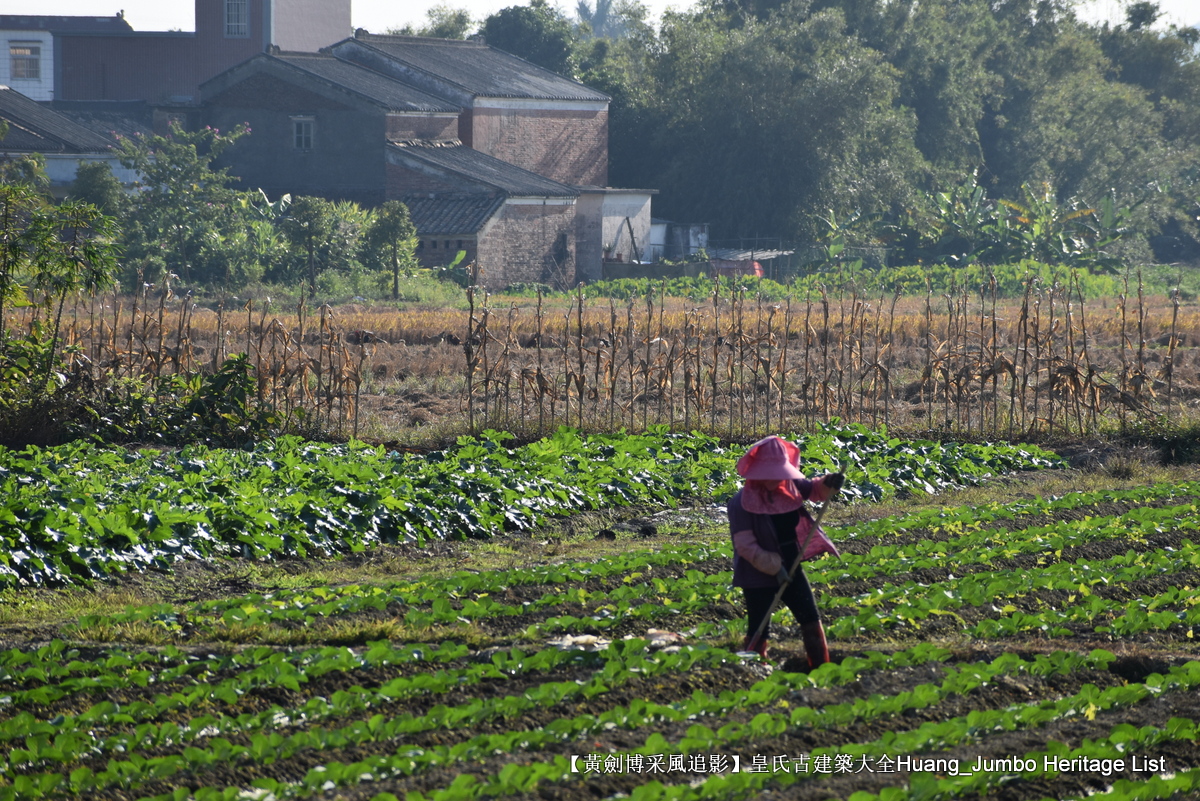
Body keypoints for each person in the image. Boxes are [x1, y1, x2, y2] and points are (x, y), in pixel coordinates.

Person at [728, 435, 844, 666]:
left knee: (810, 617)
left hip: (791, 563)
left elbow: (815, 491)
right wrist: (775, 568)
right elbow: (745, 546)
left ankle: (821, 668)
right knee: (760, 626)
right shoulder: (740, 503)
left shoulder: (790, 486)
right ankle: (753, 669)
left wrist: (829, 483)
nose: (777, 478)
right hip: (757, 573)